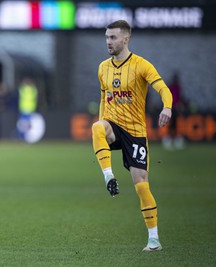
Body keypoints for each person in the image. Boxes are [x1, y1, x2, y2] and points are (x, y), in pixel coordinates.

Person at [91, 20, 172, 251]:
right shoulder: (102, 67)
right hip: (113, 127)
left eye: (113, 38)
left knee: (141, 186)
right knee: (97, 127)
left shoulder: (141, 65)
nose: (108, 41)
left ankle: (154, 240)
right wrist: (103, 121)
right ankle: (109, 177)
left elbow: (163, 88)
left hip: (135, 132)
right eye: (107, 37)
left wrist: (167, 107)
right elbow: (103, 98)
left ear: (126, 39)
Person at [162, 72, 185, 150]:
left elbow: (178, 97)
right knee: (172, 124)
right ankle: (169, 139)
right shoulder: (173, 86)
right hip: (171, 108)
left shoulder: (175, 87)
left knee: (174, 124)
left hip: (173, 108)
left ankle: (172, 139)